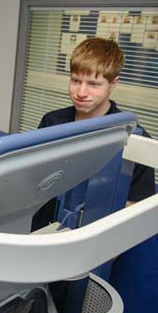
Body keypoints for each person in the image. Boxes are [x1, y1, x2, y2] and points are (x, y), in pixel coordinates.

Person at [37, 37, 155, 208]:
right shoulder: (52, 122)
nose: (81, 92)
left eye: (93, 84)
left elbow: (136, 206)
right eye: (76, 81)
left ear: (113, 83)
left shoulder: (136, 138)